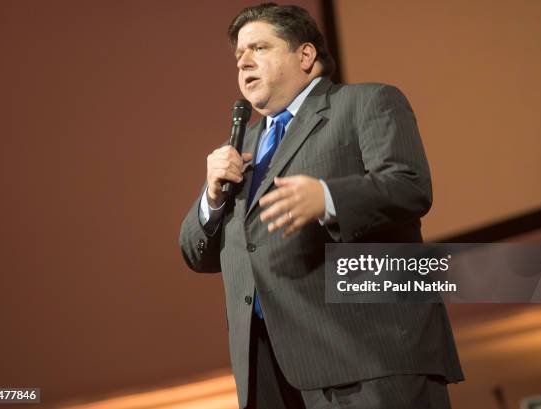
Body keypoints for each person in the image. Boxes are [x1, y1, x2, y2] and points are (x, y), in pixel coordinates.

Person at [179, 3, 464, 408]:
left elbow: (409, 186)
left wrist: (329, 198)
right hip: (269, 372)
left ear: (305, 55)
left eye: (258, 48)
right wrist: (211, 197)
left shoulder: (366, 102)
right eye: (239, 55)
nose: (244, 62)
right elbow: (196, 254)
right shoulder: (240, 148)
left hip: (367, 358)